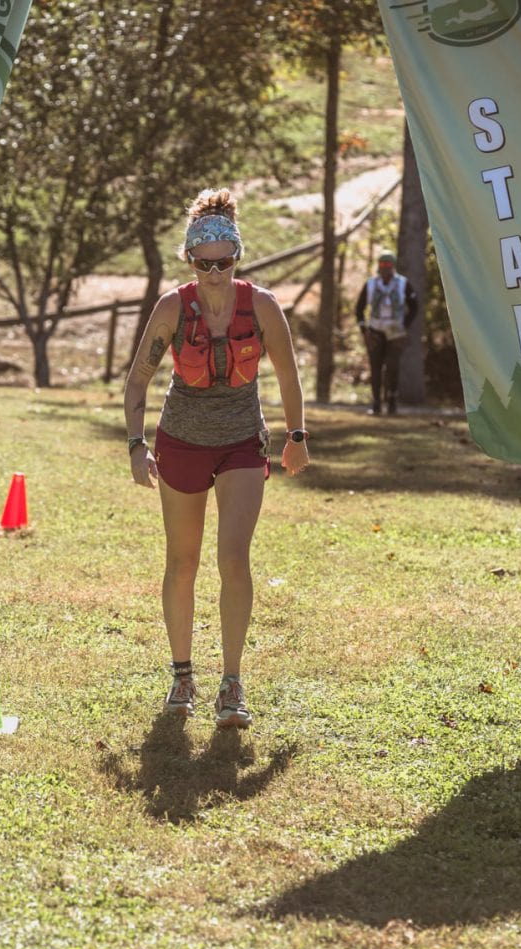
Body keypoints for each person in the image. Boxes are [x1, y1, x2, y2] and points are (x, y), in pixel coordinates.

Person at [124, 187, 309, 730]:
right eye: (203, 263)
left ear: (236, 256)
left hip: (240, 443)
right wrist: (136, 444)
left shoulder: (262, 305)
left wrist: (295, 435)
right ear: (189, 259)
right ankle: (182, 675)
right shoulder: (172, 307)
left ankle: (232, 682)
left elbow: (290, 376)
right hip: (180, 438)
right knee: (182, 562)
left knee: (234, 558)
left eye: (223, 263)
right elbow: (138, 378)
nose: (213, 272)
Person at [355, 250, 418, 416]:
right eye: (382, 265)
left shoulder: (403, 283)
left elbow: (414, 306)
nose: (385, 268)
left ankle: (392, 402)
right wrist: (364, 330)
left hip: (395, 330)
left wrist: (404, 325)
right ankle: (376, 403)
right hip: (375, 329)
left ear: (393, 266)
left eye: (388, 265)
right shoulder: (371, 284)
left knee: (393, 367)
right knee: (375, 367)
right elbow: (359, 308)